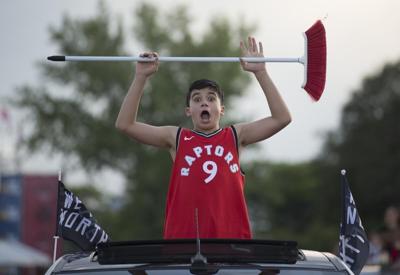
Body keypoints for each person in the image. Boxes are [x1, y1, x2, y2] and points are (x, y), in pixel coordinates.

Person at [115, 37, 291, 239]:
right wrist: (140, 77)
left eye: (211, 98)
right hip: (183, 246)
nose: (204, 103)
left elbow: (282, 118)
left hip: (232, 245)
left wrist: (261, 73)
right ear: (189, 111)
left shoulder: (235, 135)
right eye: (197, 99)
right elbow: (125, 125)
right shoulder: (177, 138)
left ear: (221, 109)